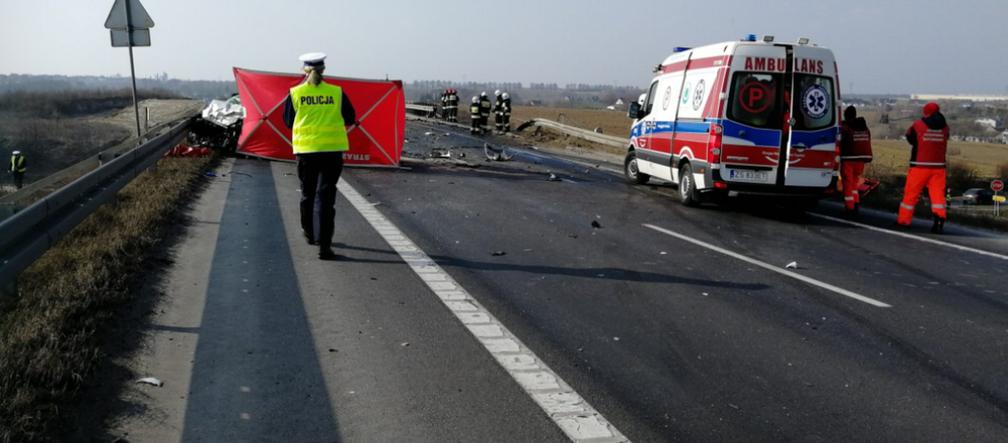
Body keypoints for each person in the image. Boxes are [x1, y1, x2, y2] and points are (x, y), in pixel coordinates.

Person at [282, 52, 357, 259]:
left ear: (303, 71)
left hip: (306, 152)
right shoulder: (336, 92)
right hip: (332, 152)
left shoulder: (295, 93)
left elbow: (288, 121)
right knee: (326, 198)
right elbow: (350, 117)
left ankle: (309, 233)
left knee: (307, 194)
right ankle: (325, 247)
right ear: (323, 70)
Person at [897, 102, 950, 233]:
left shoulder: (918, 125)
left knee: (911, 194)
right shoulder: (945, 127)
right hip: (939, 167)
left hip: (919, 166)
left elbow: (910, 138)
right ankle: (940, 219)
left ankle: (904, 221)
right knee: (938, 195)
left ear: (925, 112)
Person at [838, 106, 872, 216]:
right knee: (854, 183)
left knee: (847, 184)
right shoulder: (863, 127)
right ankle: (855, 204)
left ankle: (850, 208)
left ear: (846, 115)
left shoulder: (845, 127)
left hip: (848, 159)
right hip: (860, 160)